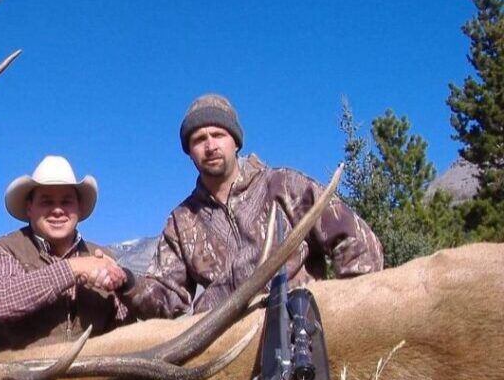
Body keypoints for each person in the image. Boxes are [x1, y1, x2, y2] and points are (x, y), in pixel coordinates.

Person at [118, 94, 384, 319]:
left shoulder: (286, 186)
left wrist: (346, 316)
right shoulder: (181, 222)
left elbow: (359, 244)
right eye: (199, 139)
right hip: (222, 346)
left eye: (218, 135)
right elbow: (167, 301)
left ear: (235, 142)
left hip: (297, 330)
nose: (210, 146)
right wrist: (126, 282)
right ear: (189, 151)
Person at [0, 155, 129, 351]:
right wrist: (74, 268)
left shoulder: (103, 258)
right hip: (15, 379)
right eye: (46, 202)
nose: (57, 210)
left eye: (66, 202)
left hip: (92, 379)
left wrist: (123, 284)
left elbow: (124, 330)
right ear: (29, 208)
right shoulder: (2, 250)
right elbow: (1, 300)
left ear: (79, 209)